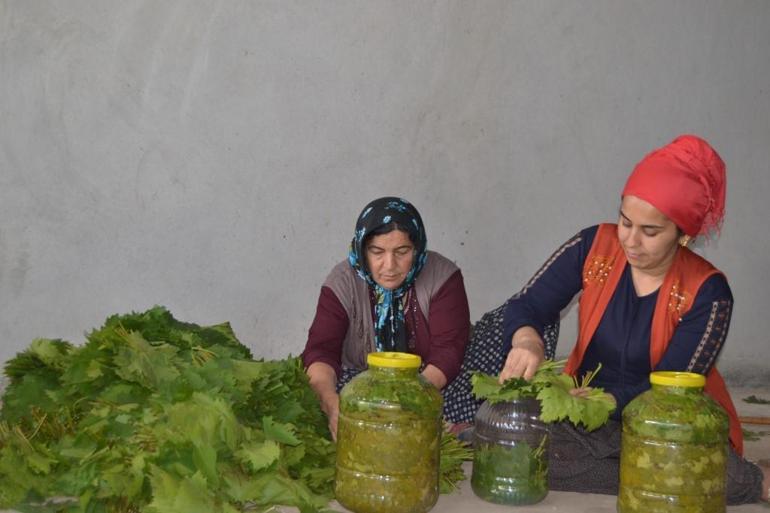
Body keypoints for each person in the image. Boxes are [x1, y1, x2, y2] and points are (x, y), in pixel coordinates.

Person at [500, 135, 768, 504]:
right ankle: (648, 474)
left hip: (666, 425)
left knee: (681, 458)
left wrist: (606, 401)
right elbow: (525, 305)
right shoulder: (593, 246)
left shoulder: (708, 292)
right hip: (582, 415)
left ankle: (746, 481)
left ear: (684, 236)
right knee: (512, 437)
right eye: (625, 222)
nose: (630, 241)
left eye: (650, 231)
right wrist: (527, 340)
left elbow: (674, 393)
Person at [302, 197, 472, 438]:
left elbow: (449, 351)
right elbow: (321, 350)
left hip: (429, 382)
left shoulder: (442, 276)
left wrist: (402, 401)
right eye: (377, 252)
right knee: (320, 390)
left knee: (477, 378)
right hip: (362, 382)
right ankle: (440, 428)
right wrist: (331, 403)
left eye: (402, 251)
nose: (389, 265)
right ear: (362, 249)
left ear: (417, 247)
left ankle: (448, 427)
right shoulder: (343, 281)